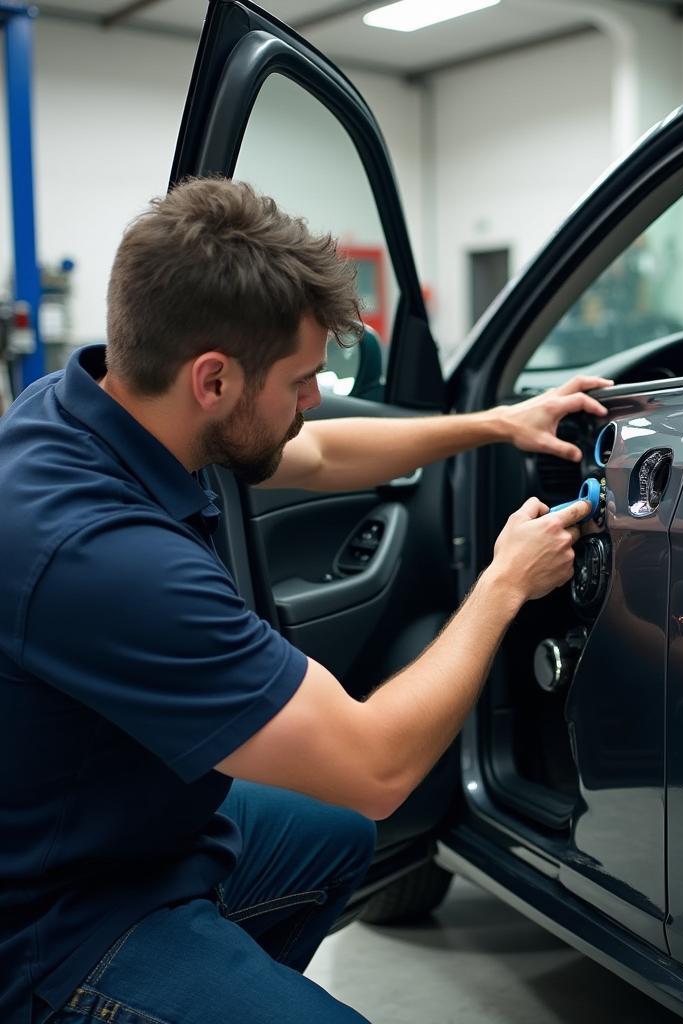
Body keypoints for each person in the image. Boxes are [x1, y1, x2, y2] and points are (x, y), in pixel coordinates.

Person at [0, 177, 611, 1024]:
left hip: (120, 827)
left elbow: (317, 454)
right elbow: (377, 769)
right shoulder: (107, 558)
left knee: (331, 838)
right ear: (213, 380)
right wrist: (504, 584)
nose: (314, 396)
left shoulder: (92, 411)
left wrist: (494, 423)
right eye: (300, 378)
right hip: (56, 921)